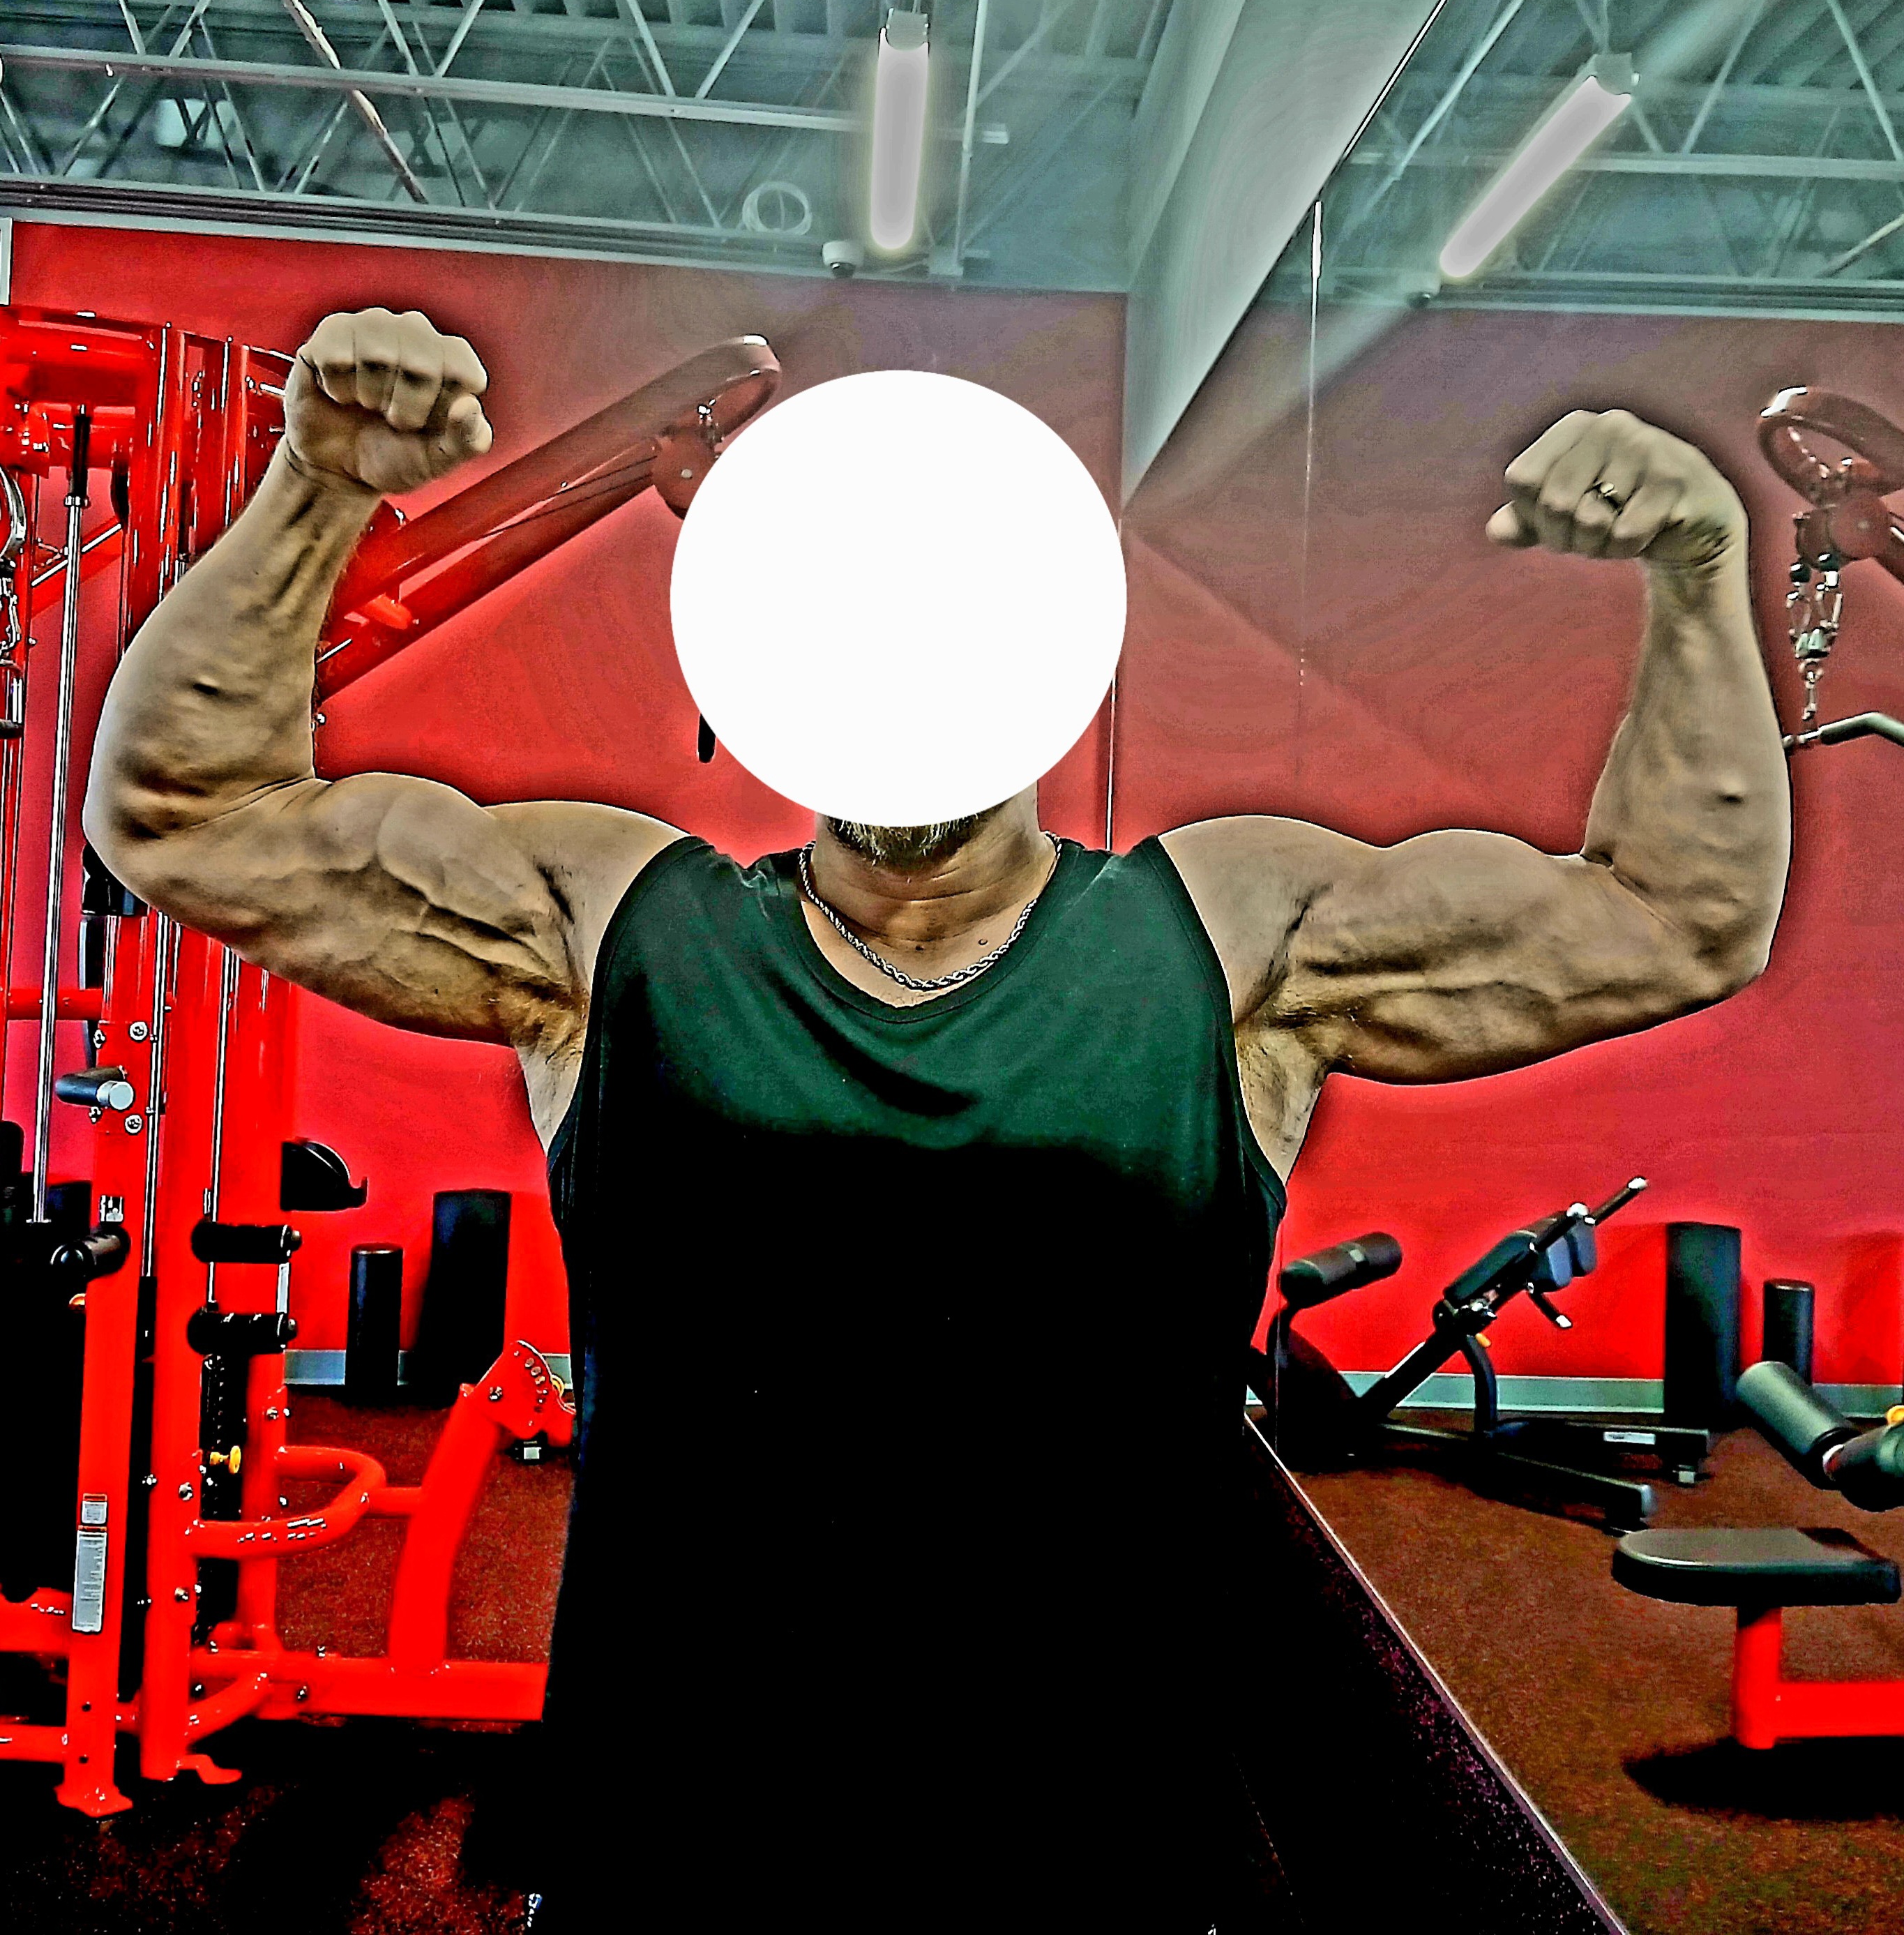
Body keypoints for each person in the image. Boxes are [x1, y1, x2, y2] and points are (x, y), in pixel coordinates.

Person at [85, 307, 1790, 1932]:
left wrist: (1705, 572)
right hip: (680, 1858)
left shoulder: (1232, 942)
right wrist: (315, 484)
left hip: (1099, 1867)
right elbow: (181, 812)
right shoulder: (607, 931)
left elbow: (1676, 917)